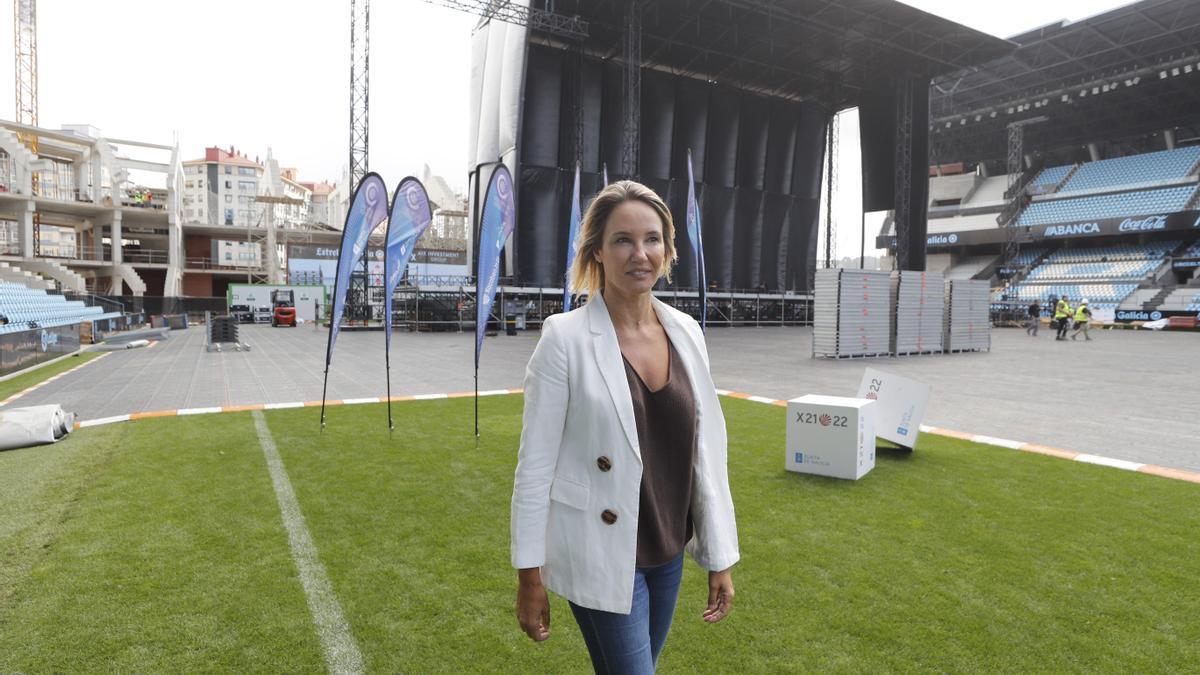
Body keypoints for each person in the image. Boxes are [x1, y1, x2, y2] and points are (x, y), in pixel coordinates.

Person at [512, 180, 739, 674]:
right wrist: (529, 576)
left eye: (652, 239)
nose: (640, 253)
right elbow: (534, 468)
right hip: (600, 548)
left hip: (669, 552)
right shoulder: (564, 339)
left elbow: (706, 456)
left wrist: (720, 555)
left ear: (668, 249)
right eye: (623, 240)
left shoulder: (686, 332)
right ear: (597, 251)